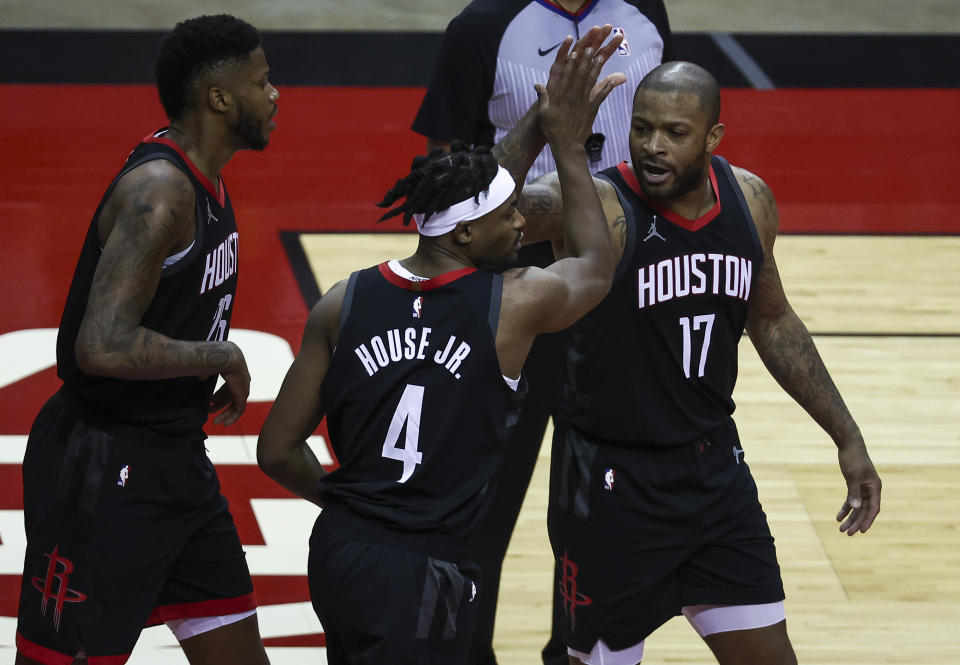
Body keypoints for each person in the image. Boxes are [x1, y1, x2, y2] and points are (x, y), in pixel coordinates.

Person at [257, 27, 625, 665]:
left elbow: (277, 450)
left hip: (343, 550)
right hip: (428, 563)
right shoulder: (510, 303)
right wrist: (564, 141)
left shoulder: (343, 301)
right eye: (505, 215)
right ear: (462, 235)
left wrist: (354, 506)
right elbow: (595, 266)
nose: (521, 223)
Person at [518, 61, 883, 665]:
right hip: (611, 487)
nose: (653, 146)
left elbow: (772, 319)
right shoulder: (598, 206)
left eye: (674, 132)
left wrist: (847, 436)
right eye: (641, 128)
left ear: (713, 137)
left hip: (714, 477)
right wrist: (545, 127)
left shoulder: (749, 199)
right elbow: (476, 214)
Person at [15, 14, 278, 665]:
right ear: (219, 98)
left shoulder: (205, 177)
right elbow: (99, 344)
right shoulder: (161, 193)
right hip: (104, 470)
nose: (276, 95)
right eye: (262, 80)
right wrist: (220, 352)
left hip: (175, 460)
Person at [413, 4, 673, 663]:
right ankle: (465, 648)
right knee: (486, 486)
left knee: (602, 487)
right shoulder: (482, 26)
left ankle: (580, 648)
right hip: (516, 277)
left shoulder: (645, 10)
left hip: (626, 273)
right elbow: (438, 187)